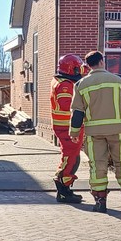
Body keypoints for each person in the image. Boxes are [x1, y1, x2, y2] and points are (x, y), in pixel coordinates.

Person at [69, 50, 121, 213]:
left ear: (88, 66)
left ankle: (100, 202)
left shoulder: (80, 85)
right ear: (102, 61)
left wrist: (74, 133)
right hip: (118, 131)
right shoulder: (118, 80)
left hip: (94, 133)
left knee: (97, 166)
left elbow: (77, 112)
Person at [50, 54, 86, 204]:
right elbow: (67, 105)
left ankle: (66, 188)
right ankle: (63, 189)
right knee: (70, 157)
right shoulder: (65, 84)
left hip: (66, 125)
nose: (81, 71)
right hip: (66, 126)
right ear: (72, 68)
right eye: (78, 68)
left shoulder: (62, 81)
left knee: (72, 156)